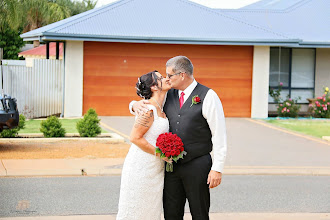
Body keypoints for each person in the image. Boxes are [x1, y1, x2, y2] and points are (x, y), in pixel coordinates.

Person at [130, 56, 227, 220]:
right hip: (171, 167)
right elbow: (150, 103)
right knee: (171, 213)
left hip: (198, 164)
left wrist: (217, 168)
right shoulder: (168, 94)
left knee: (199, 213)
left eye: (169, 75)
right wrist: (133, 104)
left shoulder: (208, 96)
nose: (167, 79)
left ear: (182, 75)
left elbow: (219, 134)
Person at [117, 70, 171, 220]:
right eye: (161, 78)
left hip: (155, 170)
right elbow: (134, 138)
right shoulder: (148, 109)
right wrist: (161, 154)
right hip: (140, 167)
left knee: (150, 211)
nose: (166, 79)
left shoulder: (161, 107)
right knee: (137, 210)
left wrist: (133, 104)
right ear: (154, 87)